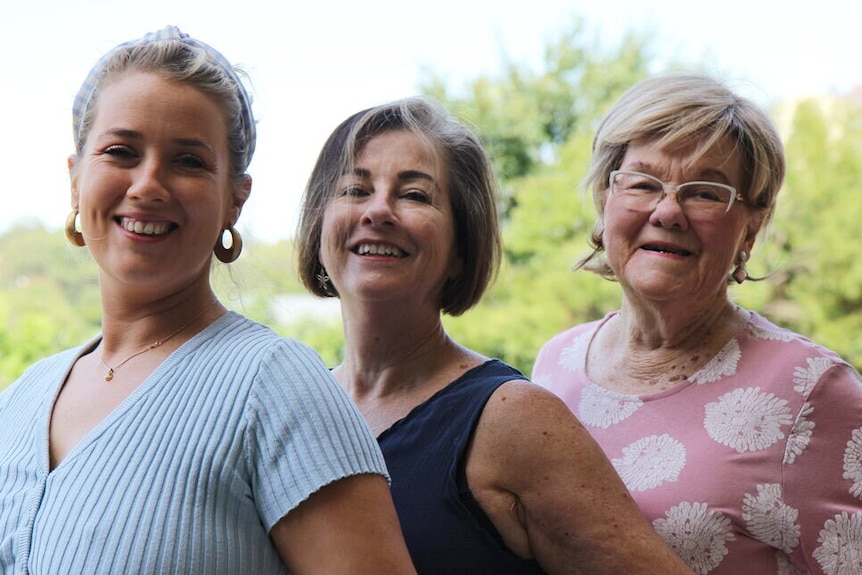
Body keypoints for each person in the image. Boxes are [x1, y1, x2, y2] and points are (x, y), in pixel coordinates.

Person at [0, 26, 417, 575]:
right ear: (75, 180)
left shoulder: (276, 387)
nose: (148, 184)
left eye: (189, 161)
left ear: (234, 202)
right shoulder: (20, 400)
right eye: (120, 151)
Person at [296, 95, 695, 574]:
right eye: (355, 190)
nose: (378, 211)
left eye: (415, 195)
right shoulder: (296, 410)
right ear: (320, 229)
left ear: (461, 248)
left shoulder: (510, 418)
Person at [532, 73, 862, 574]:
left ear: (751, 225)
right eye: (642, 183)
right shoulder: (554, 365)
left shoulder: (813, 392)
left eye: (705, 193)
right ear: (605, 200)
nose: (667, 211)